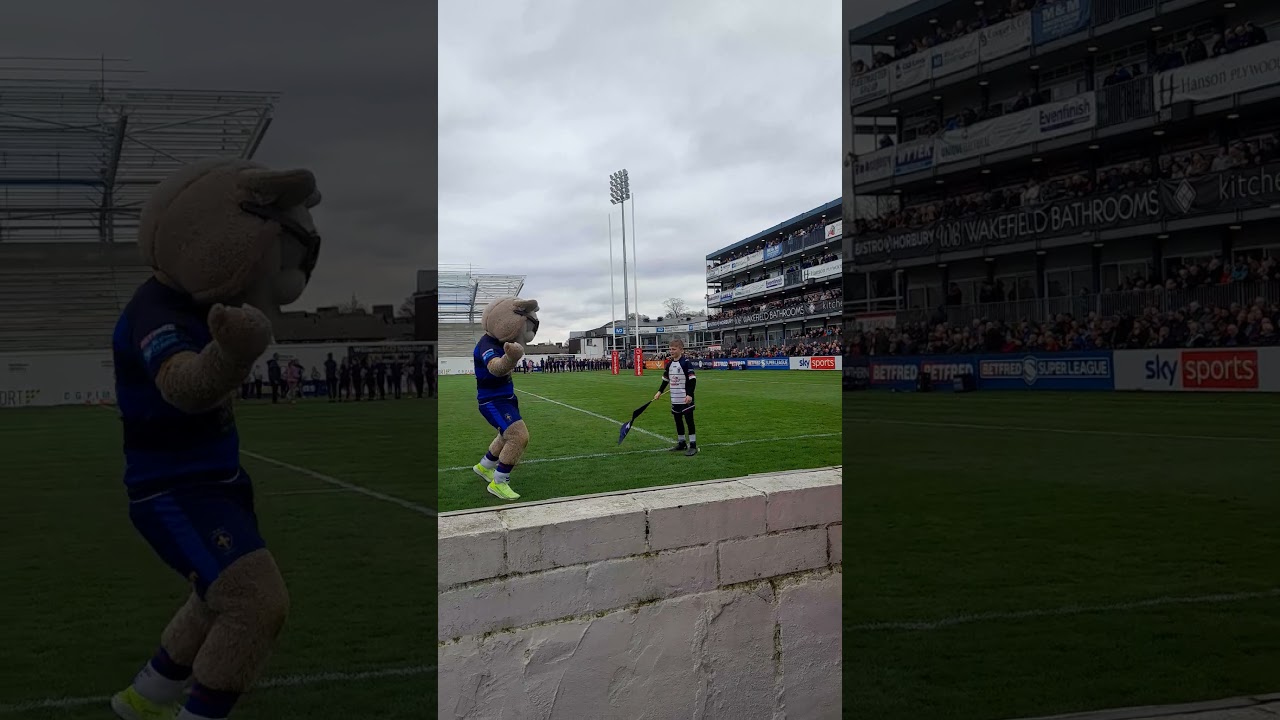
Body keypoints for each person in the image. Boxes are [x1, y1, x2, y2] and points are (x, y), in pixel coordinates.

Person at [652, 338, 699, 456]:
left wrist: (689, 394)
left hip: (685, 398)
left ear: (681, 350)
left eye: (674, 349)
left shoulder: (685, 363)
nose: (671, 351)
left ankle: (693, 445)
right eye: (670, 349)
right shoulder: (669, 364)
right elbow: (665, 380)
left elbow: (692, 380)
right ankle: (682, 442)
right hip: (675, 398)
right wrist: (659, 391)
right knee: (678, 421)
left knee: (689, 421)